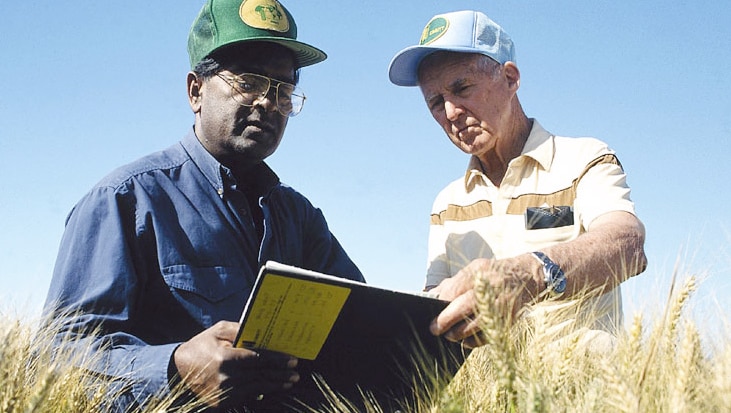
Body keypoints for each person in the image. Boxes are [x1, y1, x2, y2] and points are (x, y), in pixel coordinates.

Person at [42, 0, 364, 410]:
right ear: (196, 91)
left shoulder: (300, 218)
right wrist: (173, 368)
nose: (268, 102)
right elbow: (56, 356)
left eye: (283, 90)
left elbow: (359, 326)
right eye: (249, 82)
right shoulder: (125, 200)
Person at [388, 10, 647, 349]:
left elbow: (627, 246)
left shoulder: (584, 160)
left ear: (510, 78)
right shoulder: (446, 204)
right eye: (436, 102)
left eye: (462, 88)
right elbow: (436, 310)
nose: (451, 112)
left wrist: (531, 275)